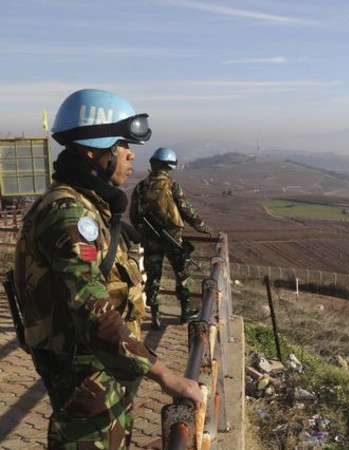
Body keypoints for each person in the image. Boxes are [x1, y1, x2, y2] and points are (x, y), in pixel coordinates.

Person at [13, 89, 202, 449]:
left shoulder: (90, 207)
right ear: (93, 151)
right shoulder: (69, 213)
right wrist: (165, 376)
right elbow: (92, 309)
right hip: (84, 375)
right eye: (122, 144)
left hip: (100, 370)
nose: (132, 154)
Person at [130, 147, 214, 329]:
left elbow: (134, 215)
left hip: (151, 239)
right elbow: (187, 210)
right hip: (173, 238)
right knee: (182, 273)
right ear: (170, 167)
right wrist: (202, 227)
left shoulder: (141, 187)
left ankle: (155, 317)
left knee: (153, 276)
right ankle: (185, 312)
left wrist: (143, 231)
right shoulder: (172, 186)